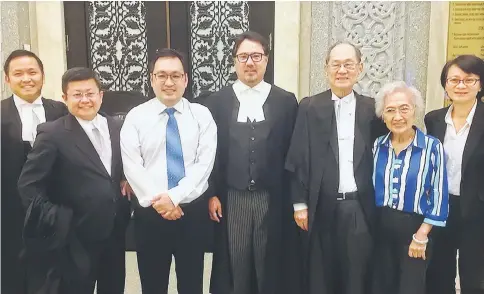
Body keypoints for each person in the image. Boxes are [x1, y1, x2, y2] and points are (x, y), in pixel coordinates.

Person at [285, 41, 387, 294]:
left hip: (358, 207)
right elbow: (297, 156)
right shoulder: (309, 107)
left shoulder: (372, 108)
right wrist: (300, 204)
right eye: (336, 64)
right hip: (320, 207)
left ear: (360, 69)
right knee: (321, 276)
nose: (342, 70)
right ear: (326, 68)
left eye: (348, 65)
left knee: (356, 274)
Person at [17, 67, 131, 294]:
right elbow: (28, 184)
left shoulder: (118, 128)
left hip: (114, 233)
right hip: (74, 238)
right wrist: (56, 218)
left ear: (101, 95)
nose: (85, 100)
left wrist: (125, 179)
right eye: (77, 95)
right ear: (64, 98)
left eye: (90, 93)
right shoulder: (52, 133)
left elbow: (118, 168)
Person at [205, 31, 300, 294]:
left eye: (256, 56)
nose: (250, 63)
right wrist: (212, 194)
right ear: (234, 61)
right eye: (243, 56)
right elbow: (210, 153)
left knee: (268, 261)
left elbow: (293, 153)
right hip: (231, 196)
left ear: (266, 60)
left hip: (271, 197)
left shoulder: (285, 101)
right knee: (235, 260)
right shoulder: (217, 102)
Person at [120, 48, 217, 294]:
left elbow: (204, 164)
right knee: (153, 285)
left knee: (192, 283)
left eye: (175, 75)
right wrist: (160, 201)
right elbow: (132, 166)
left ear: (185, 79)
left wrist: (173, 197)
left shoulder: (202, 116)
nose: (169, 82)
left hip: (191, 212)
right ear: (152, 79)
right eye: (161, 75)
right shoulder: (136, 117)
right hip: (150, 215)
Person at [371, 81, 449, 294]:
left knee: (411, 288)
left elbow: (439, 194)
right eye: (390, 110)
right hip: (379, 227)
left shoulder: (432, 147)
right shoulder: (377, 145)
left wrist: (422, 235)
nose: (398, 116)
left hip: (415, 229)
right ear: (383, 116)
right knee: (380, 286)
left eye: (404, 108)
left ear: (415, 110)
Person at [1, 49, 67, 294]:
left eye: (32, 72)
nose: (26, 78)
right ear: (7, 79)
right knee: (13, 276)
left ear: (42, 75)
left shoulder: (60, 111)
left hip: (54, 208)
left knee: (55, 277)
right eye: (18, 74)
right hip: (9, 213)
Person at [426, 54, 484, 294]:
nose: (461, 86)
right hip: (442, 206)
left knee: (474, 275)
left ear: (480, 85)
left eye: (469, 80)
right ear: (445, 84)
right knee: (439, 272)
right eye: (454, 80)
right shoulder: (434, 120)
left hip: (478, 209)